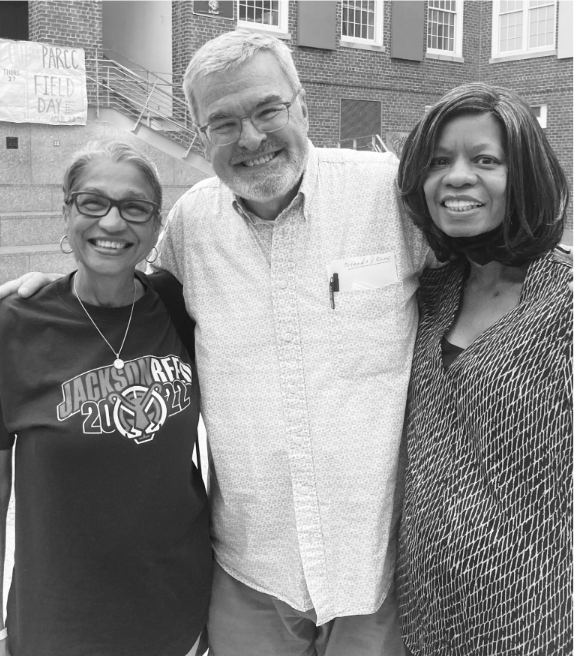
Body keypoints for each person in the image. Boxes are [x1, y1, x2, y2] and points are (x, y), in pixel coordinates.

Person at [0, 31, 433, 655]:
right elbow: (115, 264)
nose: (251, 138)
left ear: (302, 105)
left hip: (373, 571)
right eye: (223, 122)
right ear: (201, 136)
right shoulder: (192, 227)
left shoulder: (390, 197)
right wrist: (49, 291)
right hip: (251, 577)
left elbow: (480, 275)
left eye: (267, 110)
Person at [0, 140, 212, 656]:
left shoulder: (178, 307)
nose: (113, 223)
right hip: (59, 621)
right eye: (93, 202)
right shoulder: (16, 326)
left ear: (154, 223)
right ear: (66, 210)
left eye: (134, 207)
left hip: (176, 610)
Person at [396, 83, 572, 655]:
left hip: (536, 610)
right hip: (426, 601)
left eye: (486, 160)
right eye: (439, 161)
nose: (457, 176)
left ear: (525, 176)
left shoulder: (565, 299)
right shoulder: (435, 289)